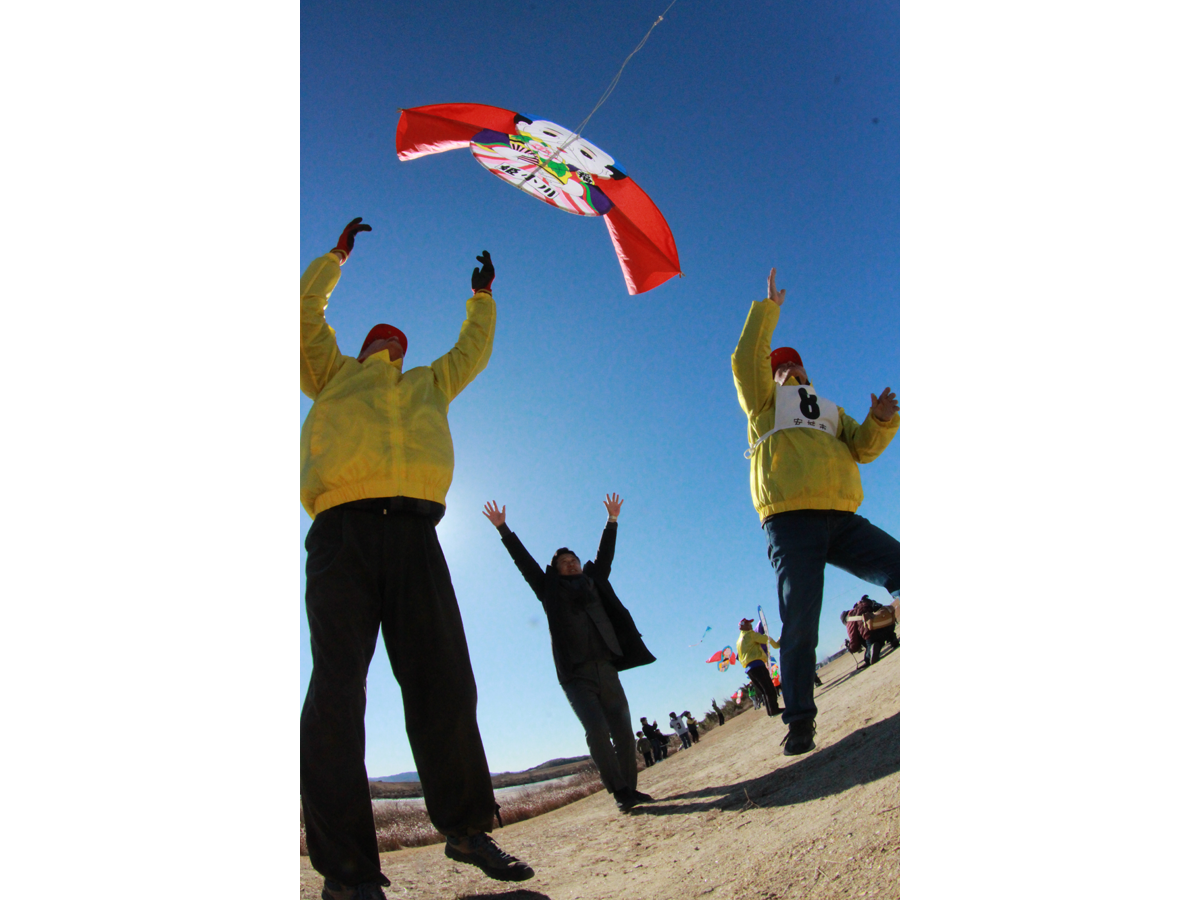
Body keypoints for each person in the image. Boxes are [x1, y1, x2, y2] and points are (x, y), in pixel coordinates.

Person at [300, 219, 533, 898]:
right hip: (342, 530)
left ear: (403, 353)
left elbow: (472, 353)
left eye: (395, 341)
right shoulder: (330, 373)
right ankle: (347, 873)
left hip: (416, 534)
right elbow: (299, 317)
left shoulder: (430, 383)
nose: (387, 343)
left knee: (445, 682)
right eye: (380, 338)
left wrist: (482, 299)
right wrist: (334, 260)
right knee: (338, 690)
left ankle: (466, 828)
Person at [732, 268, 900, 757]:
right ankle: (800, 721)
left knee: (902, 566)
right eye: (778, 367)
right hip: (790, 521)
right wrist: (768, 313)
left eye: (793, 366)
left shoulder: (830, 409)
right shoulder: (763, 403)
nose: (786, 371)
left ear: (806, 372)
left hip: (843, 518)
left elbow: (863, 448)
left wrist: (880, 421)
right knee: (800, 622)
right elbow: (746, 362)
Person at [483, 494, 656, 814]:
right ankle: (619, 791)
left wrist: (612, 520)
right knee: (597, 731)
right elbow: (526, 563)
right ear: (556, 570)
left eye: (573, 559)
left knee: (623, 731)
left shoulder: (593, 581)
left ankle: (630, 789)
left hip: (607, 667)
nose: (571, 564)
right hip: (576, 675)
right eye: (564, 563)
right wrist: (503, 529)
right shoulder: (548, 590)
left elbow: (605, 555)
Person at [736, 617, 782, 717]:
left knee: (764, 690)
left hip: (749, 669)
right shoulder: (750, 635)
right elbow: (765, 639)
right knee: (769, 689)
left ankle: (771, 711)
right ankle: (774, 710)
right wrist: (777, 642)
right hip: (757, 666)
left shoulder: (739, 641)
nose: (751, 626)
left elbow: (738, 657)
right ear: (744, 627)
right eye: (748, 624)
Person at [842, 595, 900, 666]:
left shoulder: (850, 619)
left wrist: (850, 648)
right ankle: (892, 638)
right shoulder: (867, 604)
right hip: (889, 626)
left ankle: (872, 649)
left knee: (867, 658)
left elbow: (854, 642)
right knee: (883, 631)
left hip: (873, 634)